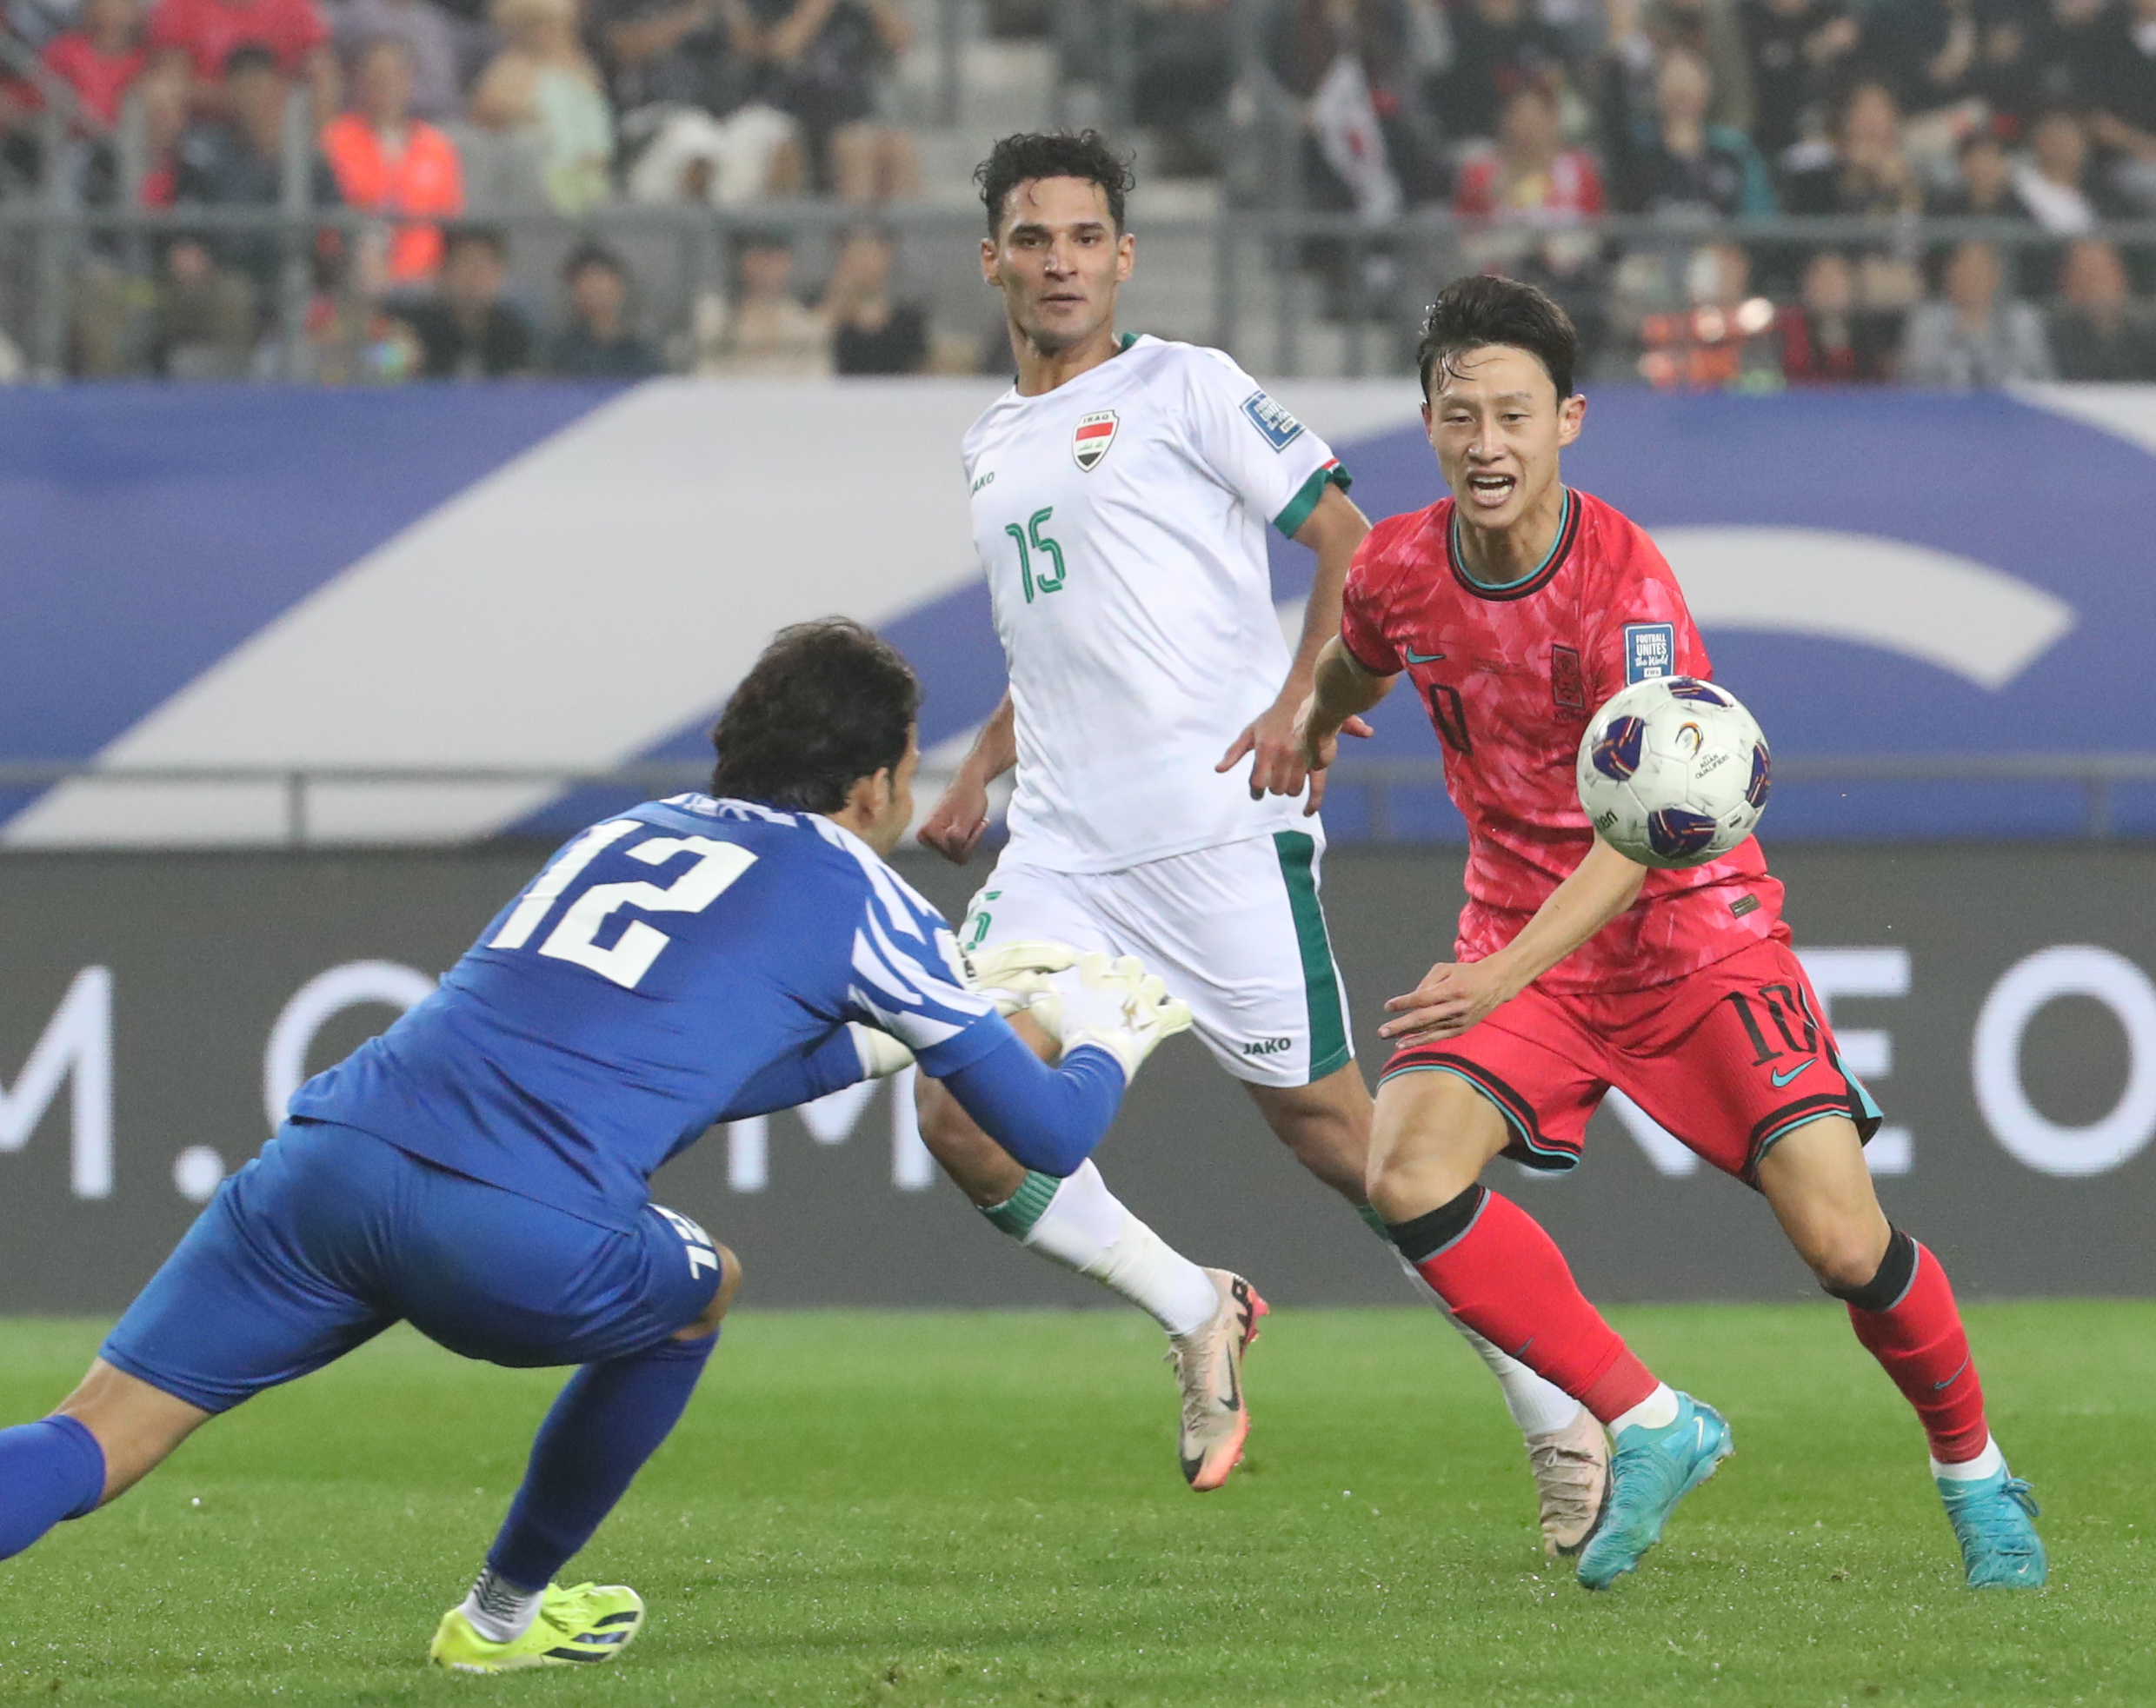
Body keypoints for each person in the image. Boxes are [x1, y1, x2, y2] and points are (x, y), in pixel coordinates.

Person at [0, 619, 1190, 1674]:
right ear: (877, 781)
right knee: (699, 1290)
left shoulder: (628, 829)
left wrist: (874, 1055)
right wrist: (1109, 1036)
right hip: (509, 1231)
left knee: (95, 1434)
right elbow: (1037, 1131)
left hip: (332, 1159)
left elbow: (672, 1074)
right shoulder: (864, 897)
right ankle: (501, 1616)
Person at [1288, 272, 2047, 1593]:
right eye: (1460, 414)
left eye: (1513, 414)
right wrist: (1304, 719)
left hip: (1693, 934)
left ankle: (1977, 1477)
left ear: (1569, 419)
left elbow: (1645, 833)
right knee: (1403, 1171)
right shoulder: (1402, 564)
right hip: (1524, 938)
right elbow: (1364, 649)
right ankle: (1650, 1421)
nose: (1487, 443)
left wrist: (1499, 976)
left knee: (1842, 1241)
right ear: (1428, 421)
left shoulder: (1624, 583)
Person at [914, 130, 1611, 1549]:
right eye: (1031, 237)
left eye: (1083, 236)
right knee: (956, 1116)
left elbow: (1358, 544)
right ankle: (1197, 1305)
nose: (1059, 261)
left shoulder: (1187, 386)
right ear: (991, 258)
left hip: (1217, 835)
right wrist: (978, 769)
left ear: (1123, 254)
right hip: (1058, 847)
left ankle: (1558, 1405)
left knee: (1359, 1157)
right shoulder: (992, 442)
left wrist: (1304, 700)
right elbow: (1059, 649)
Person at [321, 36, 463, 287]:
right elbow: (326, 223)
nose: (385, 85)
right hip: (352, 277)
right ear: (359, 81)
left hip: (430, 281)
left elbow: (452, 222)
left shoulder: (438, 146)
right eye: (375, 77)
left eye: (394, 75)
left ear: (409, 79)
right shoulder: (333, 141)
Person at [749, 0, 915, 203]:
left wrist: (877, 6)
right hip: (800, 115)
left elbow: (900, 41)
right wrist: (817, 8)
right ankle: (860, 233)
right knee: (857, 147)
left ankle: (905, 234)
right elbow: (781, 49)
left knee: (900, 147)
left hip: (856, 112)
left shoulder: (855, 10)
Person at [469, 0, 613, 214]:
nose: (546, 33)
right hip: (532, 175)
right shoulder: (510, 68)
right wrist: (523, 115)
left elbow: (597, 123)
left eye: (552, 25)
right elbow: (485, 114)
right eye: (535, 25)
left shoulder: (582, 70)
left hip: (586, 171)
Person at [1898, 237, 2056, 386]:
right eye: (1963, 268)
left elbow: (2043, 381)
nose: (1970, 277)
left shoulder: (2022, 321)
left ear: (1995, 276)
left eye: (1978, 270)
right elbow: (1914, 385)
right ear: (1950, 275)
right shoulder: (1927, 323)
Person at [395, 222, 534, 375]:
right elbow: (375, 367)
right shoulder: (415, 327)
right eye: (463, 264)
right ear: (442, 272)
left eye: (482, 266)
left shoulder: (513, 330)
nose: (473, 277)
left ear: (499, 273)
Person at [692, 226, 830, 375]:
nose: (767, 267)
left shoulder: (808, 324)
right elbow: (706, 378)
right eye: (758, 257)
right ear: (743, 262)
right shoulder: (715, 319)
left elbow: (817, 383)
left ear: (788, 262)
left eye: (776, 258)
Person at [542, 241, 662, 375]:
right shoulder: (561, 351)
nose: (591, 289)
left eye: (599, 279)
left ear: (619, 287)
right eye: (583, 281)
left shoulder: (640, 352)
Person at [822, 224, 927, 375]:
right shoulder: (832, 321)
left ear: (887, 256)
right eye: (855, 254)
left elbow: (921, 371)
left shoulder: (908, 321)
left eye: (868, 254)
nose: (862, 263)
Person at [330, 0, 461, 120]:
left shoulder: (431, 19)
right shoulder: (357, 14)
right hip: (368, 118)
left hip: (436, 118)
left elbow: (444, 85)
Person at [2046, 236, 2156, 378]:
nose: (2093, 288)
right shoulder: (2052, 344)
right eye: (2084, 277)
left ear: (2120, 278)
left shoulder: (2147, 339)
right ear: (2067, 284)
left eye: (2100, 275)